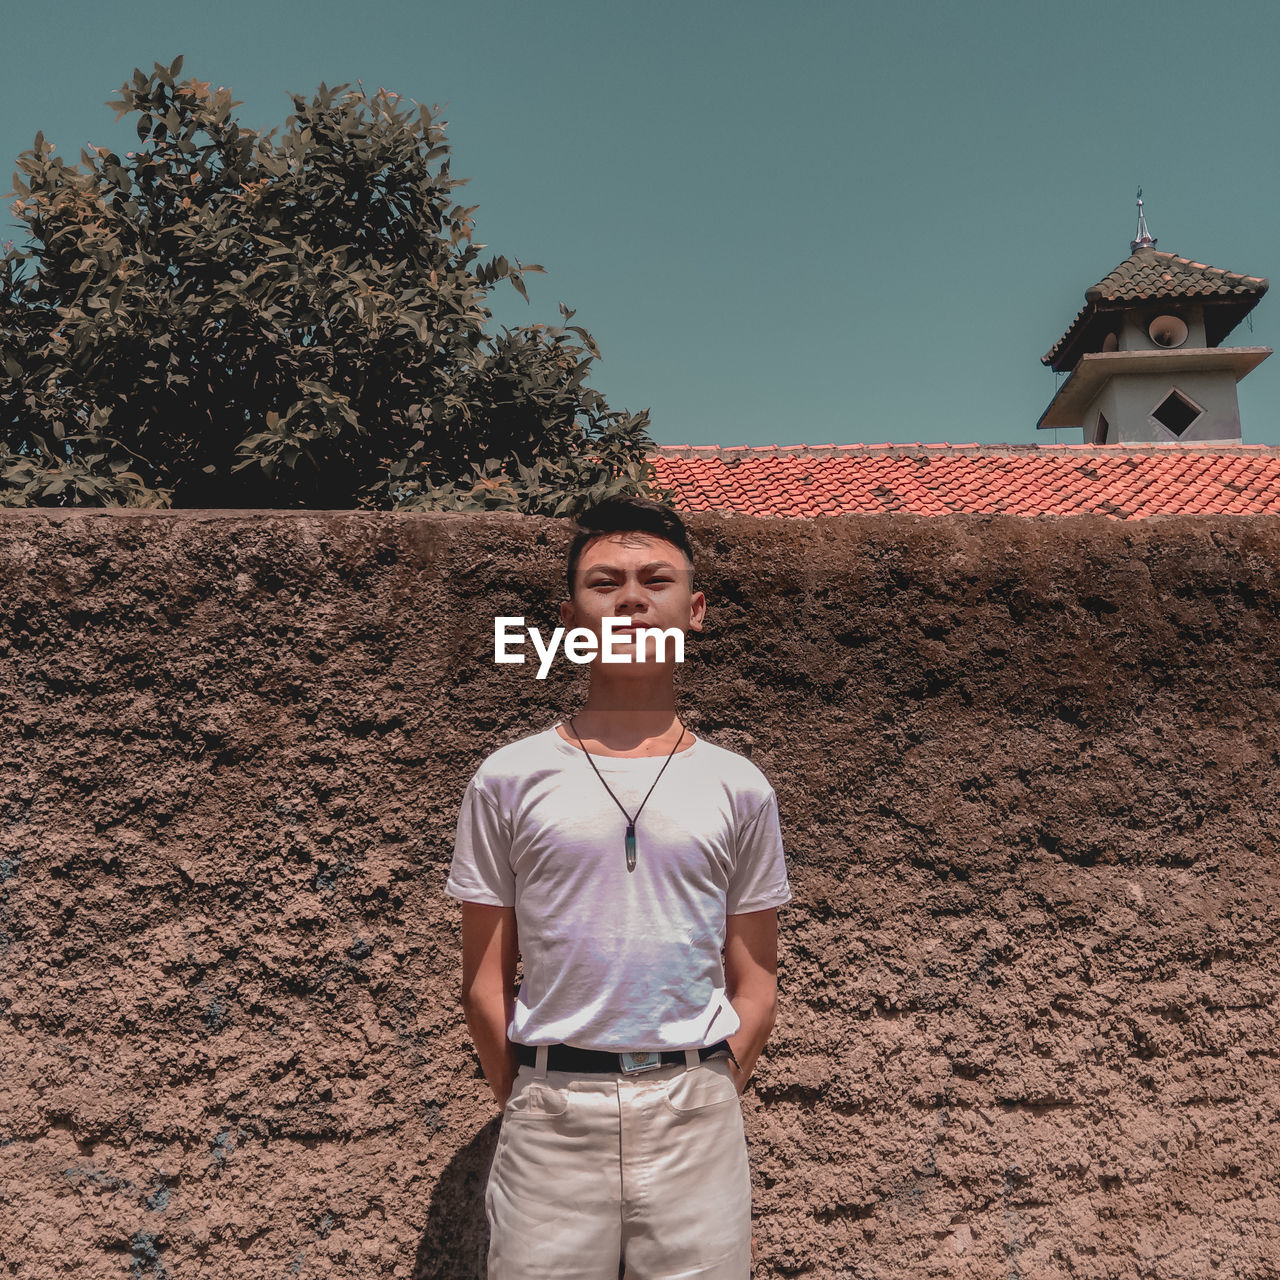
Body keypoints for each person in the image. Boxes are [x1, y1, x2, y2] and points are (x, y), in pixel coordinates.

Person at [445, 496, 792, 1279]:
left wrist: (707, 1088)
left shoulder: (739, 787)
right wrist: (532, 1097)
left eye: (654, 579)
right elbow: (482, 982)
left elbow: (757, 982)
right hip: (550, 1122)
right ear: (569, 620)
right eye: (605, 582)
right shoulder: (508, 778)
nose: (631, 598)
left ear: (693, 610)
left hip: (696, 1116)